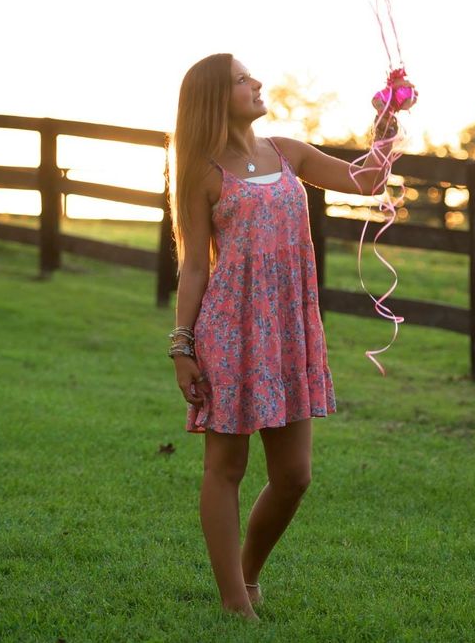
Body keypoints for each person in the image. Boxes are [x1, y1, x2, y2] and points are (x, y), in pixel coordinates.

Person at [168, 52, 403, 621]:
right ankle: (233, 602)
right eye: (243, 80)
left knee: (294, 476)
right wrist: (182, 346)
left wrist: (387, 124)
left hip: (290, 331)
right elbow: (195, 267)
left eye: (252, 77)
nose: (257, 83)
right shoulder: (202, 172)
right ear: (214, 99)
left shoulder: (288, 153)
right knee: (225, 468)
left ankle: (248, 573)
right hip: (229, 330)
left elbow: (367, 179)